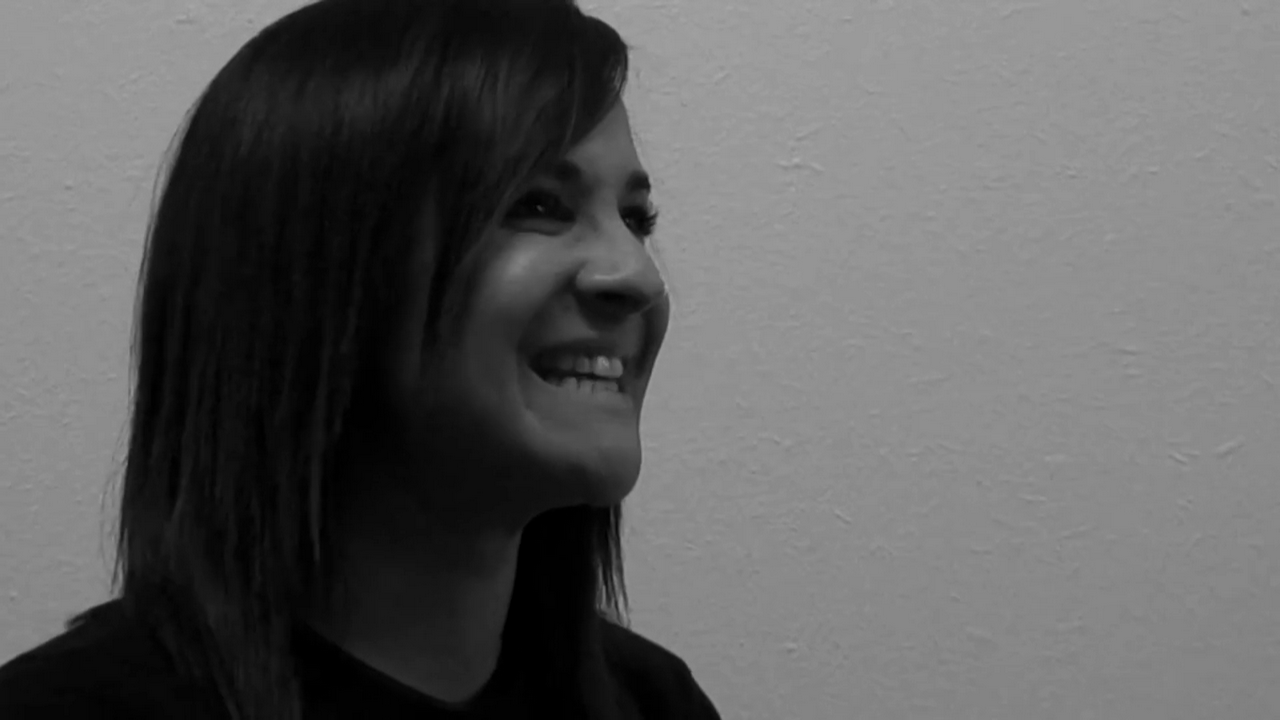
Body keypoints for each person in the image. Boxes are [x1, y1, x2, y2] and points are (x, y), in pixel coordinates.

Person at [0, 0, 720, 717]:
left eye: (636, 219)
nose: (637, 275)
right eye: (538, 205)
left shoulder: (654, 703)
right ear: (312, 271)